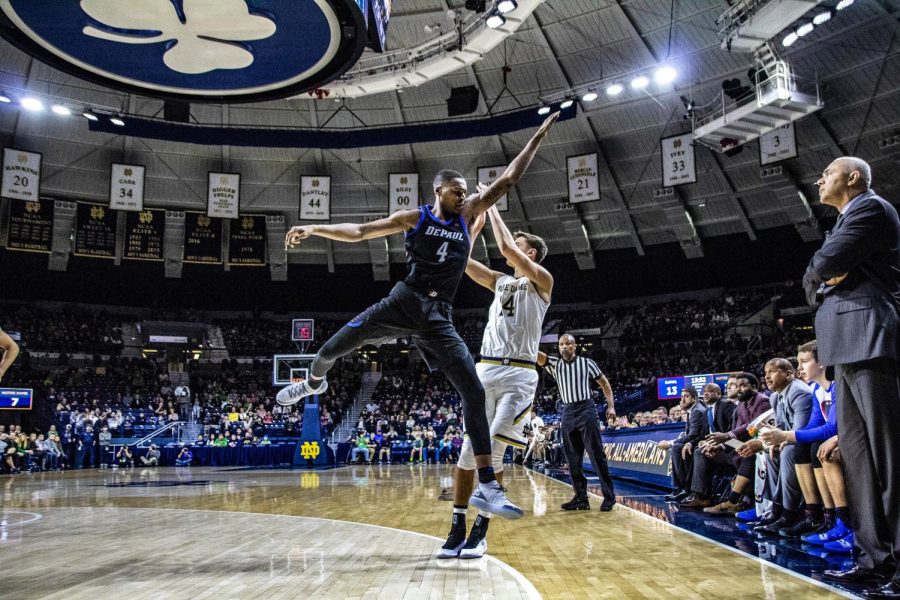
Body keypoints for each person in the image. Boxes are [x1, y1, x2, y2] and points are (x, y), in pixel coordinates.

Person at [276, 112, 560, 519]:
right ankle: (314, 384)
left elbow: (509, 179)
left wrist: (538, 135)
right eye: (457, 190)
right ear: (439, 190)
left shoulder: (469, 216)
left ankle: (487, 485)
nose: (464, 195)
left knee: (473, 393)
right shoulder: (415, 218)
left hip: (437, 316)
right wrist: (314, 228)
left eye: (466, 191)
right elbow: (359, 232)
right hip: (402, 302)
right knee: (330, 349)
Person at [801, 157, 900, 597]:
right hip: (845, 347)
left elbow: (826, 261)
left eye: (828, 173)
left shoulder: (869, 209)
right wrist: (824, 278)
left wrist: (825, 273)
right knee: (858, 463)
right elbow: (812, 280)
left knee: (888, 459)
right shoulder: (844, 221)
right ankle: (873, 558)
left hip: (871, 337)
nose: (820, 180)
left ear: (853, 178)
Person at [438, 205, 552, 559]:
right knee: (468, 452)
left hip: (519, 374)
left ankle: (481, 530)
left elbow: (506, 249)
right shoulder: (501, 282)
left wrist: (492, 208)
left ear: (529, 253)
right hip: (485, 369)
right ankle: (458, 526)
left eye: (518, 246)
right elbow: (464, 264)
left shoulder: (542, 281)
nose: (509, 252)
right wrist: (465, 235)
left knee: (496, 450)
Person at [537, 334, 617, 512]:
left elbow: (604, 383)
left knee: (596, 454)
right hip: (568, 411)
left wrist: (611, 406)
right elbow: (537, 355)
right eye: (561, 344)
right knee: (572, 458)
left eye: (568, 344)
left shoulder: (586, 363)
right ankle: (581, 498)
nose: (564, 347)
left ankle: (609, 496)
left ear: (575, 346)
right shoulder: (554, 364)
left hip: (586, 410)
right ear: (558, 347)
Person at [660, 386, 708, 503]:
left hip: (701, 443)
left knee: (676, 448)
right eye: (681, 397)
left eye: (686, 396)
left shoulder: (697, 410)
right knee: (678, 447)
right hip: (696, 441)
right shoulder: (692, 410)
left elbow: (693, 435)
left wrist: (671, 443)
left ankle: (685, 489)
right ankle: (682, 488)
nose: (682, 400)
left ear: (694, 398)